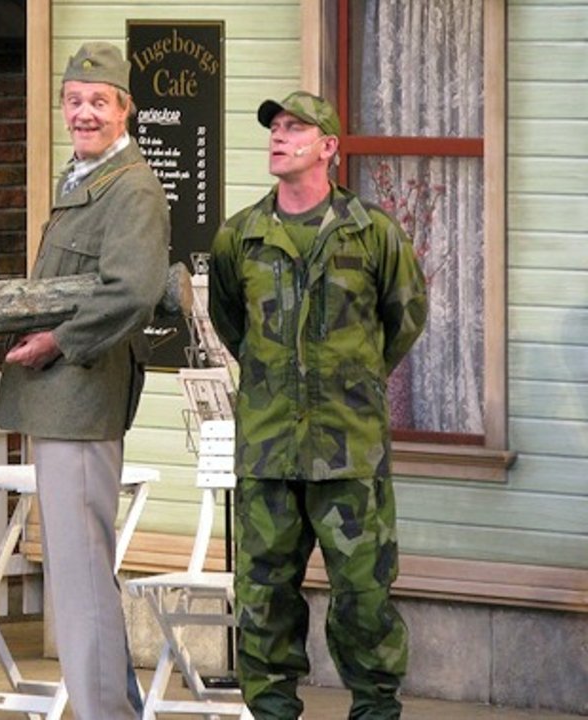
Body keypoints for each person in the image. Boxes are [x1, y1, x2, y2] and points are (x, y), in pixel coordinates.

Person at [207, 91, 428, 719]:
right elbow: (232, 325)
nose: (279, 136)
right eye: (274, 127)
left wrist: (351, 382)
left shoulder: (373, 233)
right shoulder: (240, 237)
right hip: (269, 452)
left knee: (364, 599)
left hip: (349, 451)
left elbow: (404, 318)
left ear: (328, 147)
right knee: (264, 601)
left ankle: (376, 711)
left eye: (294, 127)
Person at [0, 41, 170, 718]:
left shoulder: (132, 188)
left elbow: (132, 292)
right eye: (74, 101)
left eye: (99, 101)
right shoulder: (84, 178)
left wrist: (58, 342)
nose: (84, 113)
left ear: (126, 110)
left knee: (81, 577)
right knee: (79, 573)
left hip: (83, 395)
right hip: (62, 400)